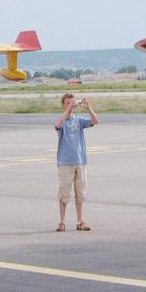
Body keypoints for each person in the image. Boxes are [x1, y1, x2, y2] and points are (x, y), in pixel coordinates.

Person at [54, 92, 98, 232]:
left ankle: (80, 221)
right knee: (64, 194)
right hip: (65, 162)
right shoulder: (62, 120)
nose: (70, 105)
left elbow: (95, 121)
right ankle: (62, 221)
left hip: (80, 161)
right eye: (67, 103)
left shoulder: (78, 121)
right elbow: (58, 125)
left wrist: (88, 107)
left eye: (71, 102)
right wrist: (69, 108)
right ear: (63, 105)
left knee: (80, 193)